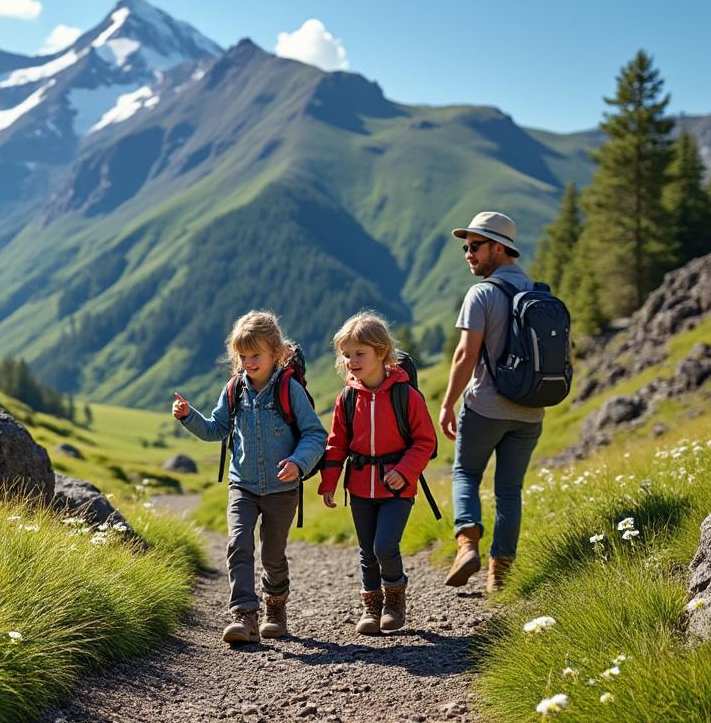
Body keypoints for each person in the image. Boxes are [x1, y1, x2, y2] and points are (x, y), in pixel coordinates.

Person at [173, 311, 327, 643]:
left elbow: (315, 435)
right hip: (242, 485)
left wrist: (298, 463)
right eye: (243, 356)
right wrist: (188, 416)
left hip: (282, 489)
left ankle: (276, 605)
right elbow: (216, 429)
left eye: (256, 354)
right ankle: (244, 615)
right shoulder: (234, 390)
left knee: (273, 555)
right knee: (238, 543)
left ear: (277, 353)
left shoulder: (290, 390)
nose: (248, 362)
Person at [438, 212, 544, 592]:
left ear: (499, 248)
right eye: (466, 248)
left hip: (485, 406)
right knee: (509, 491)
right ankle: (500, 575)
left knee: (466, 474)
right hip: (530, 412)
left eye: (475, 246)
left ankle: (467, 545)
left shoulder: (482, 293)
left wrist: (447, 403)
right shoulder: (539, 293)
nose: (468, 254)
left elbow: (465, 355)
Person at [317, 312, 435, 635]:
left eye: (360, 353)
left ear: (381, 352)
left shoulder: (406, 396)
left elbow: (425, 442)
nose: (351, 361)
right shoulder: (346, 398)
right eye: (346, 354)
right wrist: (329, 482)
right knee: (367, 550)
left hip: (398, 489)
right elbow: (336, 443)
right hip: (359, 487)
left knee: (384, 546)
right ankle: (371, 607)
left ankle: (394, 600)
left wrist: (404, 471)